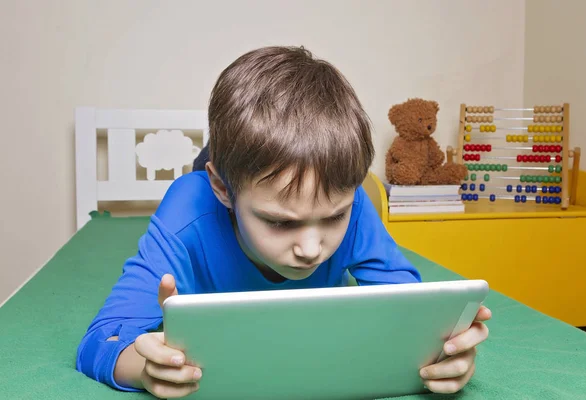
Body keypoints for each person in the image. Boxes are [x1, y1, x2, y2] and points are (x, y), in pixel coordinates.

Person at [76, 46, 490, 398]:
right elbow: (102, 340)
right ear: (222, 189)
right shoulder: (188, 208)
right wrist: (144, 370)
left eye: (333, 217)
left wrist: (445, 353)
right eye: (279, 223)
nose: (312, 248)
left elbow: (410, 310)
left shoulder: (353, 201)